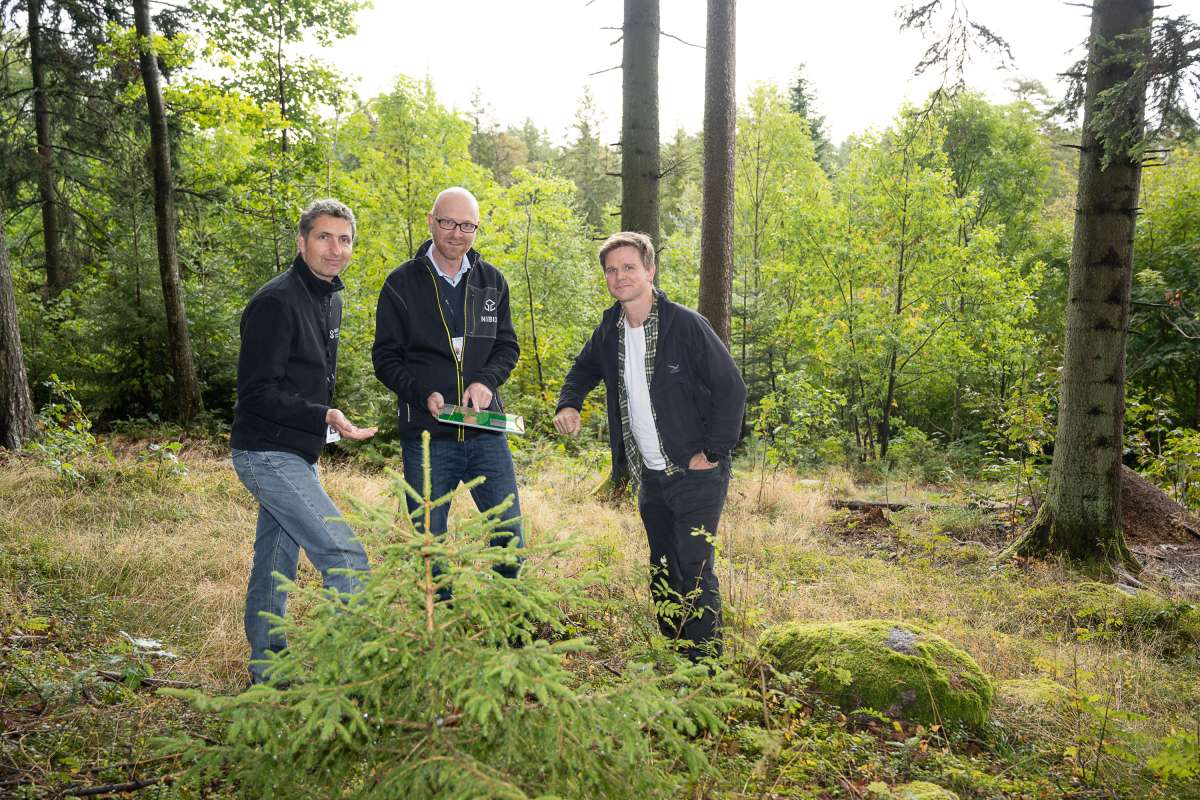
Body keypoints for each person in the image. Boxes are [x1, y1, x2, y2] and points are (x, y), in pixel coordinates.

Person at [554, 231, 746, 661]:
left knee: (694, 568)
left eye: (628, 267)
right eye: (611, 269)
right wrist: (569, 403)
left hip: (695, 473)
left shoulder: (685, 324)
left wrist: (712, 452)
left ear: (649, 271)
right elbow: (582, 369)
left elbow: (730, 388)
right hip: (650, 477)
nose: (619, 276)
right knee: (662, 565)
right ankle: (673, 656)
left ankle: (704, 672)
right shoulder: (610, 329)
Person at [230, 198, 376, 685]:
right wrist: (324, 414)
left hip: (296, 451)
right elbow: (257, 394)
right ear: (301, 242)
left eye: (345, 239)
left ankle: (267, 675)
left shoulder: (330, 297)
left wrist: (319, 422)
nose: (336, 249)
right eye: (324, 237)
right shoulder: (276, 302)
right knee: (346, 556)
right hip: (265, 452)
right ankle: (348, 682)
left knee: (275, 561)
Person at [372, 187, 523, 576]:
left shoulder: (492, 282)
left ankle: (515, 627)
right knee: (430, 547)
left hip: (485, 433)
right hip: (427, 437)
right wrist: (421, 394)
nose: (457, 233)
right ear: (431, 222)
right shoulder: (400, 284)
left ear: (476, 228)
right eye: (448, 223)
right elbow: (385, 358)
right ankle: (438, 626)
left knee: (508, 537)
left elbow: (507, 346)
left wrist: (487, 382)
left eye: (467, 225)